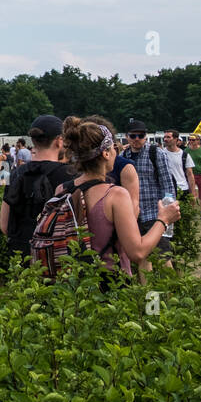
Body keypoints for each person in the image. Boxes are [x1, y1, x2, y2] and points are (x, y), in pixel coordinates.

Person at [53, 118, 180, 280]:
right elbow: (138, 252)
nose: (116, 151)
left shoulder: (62, 190)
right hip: (109, 284)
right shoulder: (116, 195)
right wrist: (163, 219)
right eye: (113, 147)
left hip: (72, 283)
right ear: (106, 153)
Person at [0, 115, 74, 262]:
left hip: (19, 254)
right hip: (57, 257)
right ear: (59, 141)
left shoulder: (16, 174)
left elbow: (4, 225)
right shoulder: (69, 174)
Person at [123, 119, 177, 268]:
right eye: (133, 136)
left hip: (155, 213)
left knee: (163, 257)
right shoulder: (123, 156)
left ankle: (173, 290)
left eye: (140, 135)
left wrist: (168, 212)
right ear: (127, 136)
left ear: (146, 136)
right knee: (142, 257)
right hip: (134, 215)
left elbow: (167, 184)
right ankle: (146, 291)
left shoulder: (155, 153)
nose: (137, 139)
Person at [162, 130, 198, 201]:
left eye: (168, 137)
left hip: (183, 189)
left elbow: (190, 174)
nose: (165, 139)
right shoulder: (161, 154)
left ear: (176, 139)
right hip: (167, 190)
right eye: (165, 137)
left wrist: (193, 193)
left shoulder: (184, 155)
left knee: (183, 212)